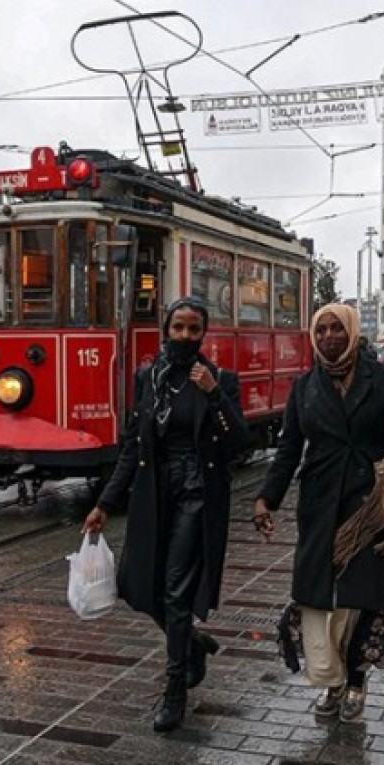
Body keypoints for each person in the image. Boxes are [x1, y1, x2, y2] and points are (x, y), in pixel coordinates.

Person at [83, 297, 246, 733]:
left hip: (197, 494)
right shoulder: (149, 379)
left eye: (195, 330)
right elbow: (133, 444)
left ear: (203, 334)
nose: (186, 337)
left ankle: (175, 689)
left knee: (175, 592)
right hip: (155, 495)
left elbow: (239, 442)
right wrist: (104, 503)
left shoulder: (220, 380)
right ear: (166, 330)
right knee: (137, 585)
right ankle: (191, 642)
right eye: (179, 328)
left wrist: (213, 396)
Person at [254, 303, 384, 723]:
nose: (328, 336)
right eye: (321, 329)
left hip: (368, 506)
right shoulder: (305, 386)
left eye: (336, 328)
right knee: (318, 597)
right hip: (320, 505)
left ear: (353, 332)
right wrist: (266, 498)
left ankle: (356, 680)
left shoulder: (381, 379)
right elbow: (289, 449)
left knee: (361, 598)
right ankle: (331, 678)